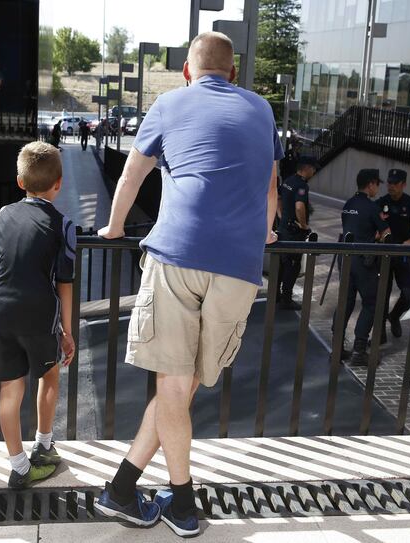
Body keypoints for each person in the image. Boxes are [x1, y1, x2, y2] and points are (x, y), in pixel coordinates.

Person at [95, 31, 282, 537]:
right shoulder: (263, 111)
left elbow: (133, 176)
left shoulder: (169, 104)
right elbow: (270, 189)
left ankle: (178, 504)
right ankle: (125, 488)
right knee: (188, 385)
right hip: (240, 266)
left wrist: (113, 229)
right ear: (234, 74)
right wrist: (263, 235)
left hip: (177, 255)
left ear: (186, 71)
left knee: (173, 387)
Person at [0, 141, 77, 488]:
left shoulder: (3, 214)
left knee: (10, 388)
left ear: (20, 182)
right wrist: (67, 332)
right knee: (49, 376)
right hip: (39, 314)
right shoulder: (63, 224)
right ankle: (44, 445)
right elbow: (65, 282)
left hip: (2, 311)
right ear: (59, 183)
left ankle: (19, 465)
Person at [334, 168, 390, 367]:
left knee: (346, 301)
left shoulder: (349, 204)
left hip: (345, 258)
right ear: (371, 184)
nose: (378, 188)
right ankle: (359, 350)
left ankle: (337, 347)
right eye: (377, 184)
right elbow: (386, 233)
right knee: (372, 302)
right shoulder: (372, 207)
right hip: (363, 262)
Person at [376, 169, 410, 342]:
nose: (391, 186)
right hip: (384, 255)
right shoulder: (380, 203)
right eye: (389, 183)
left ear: (403, 184)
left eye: (395, 183)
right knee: (382, 294)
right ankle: (380, 333)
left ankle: (395, 316)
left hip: (404, 254)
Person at [277, 155, 318, 310]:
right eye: (313, 168)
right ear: (306, 168)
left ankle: (276, 295)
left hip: (283, 228)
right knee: (293, 266)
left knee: (282, 263)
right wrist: (304, 225)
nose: (314, 172)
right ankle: (286, 299)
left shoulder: (288, 181)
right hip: (294, 232)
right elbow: (300, 207)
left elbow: (279, 198)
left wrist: (281, 216)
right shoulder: (302, 185)